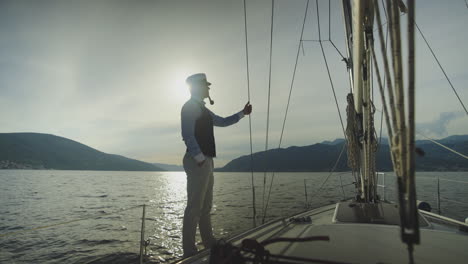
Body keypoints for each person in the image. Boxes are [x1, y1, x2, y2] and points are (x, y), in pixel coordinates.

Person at [180, 73, 252, 257]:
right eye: (206, 86)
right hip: (199, 161)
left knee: (205, 206)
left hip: (206, 161)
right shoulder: (190, 107)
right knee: (194, 207)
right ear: (197, 87)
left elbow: (222, 121)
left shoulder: (202, 109)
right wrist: (200, 158)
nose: (209, 89)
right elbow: (187, 135)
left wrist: (242, 113)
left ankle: (208, 242)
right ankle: (189, 252)